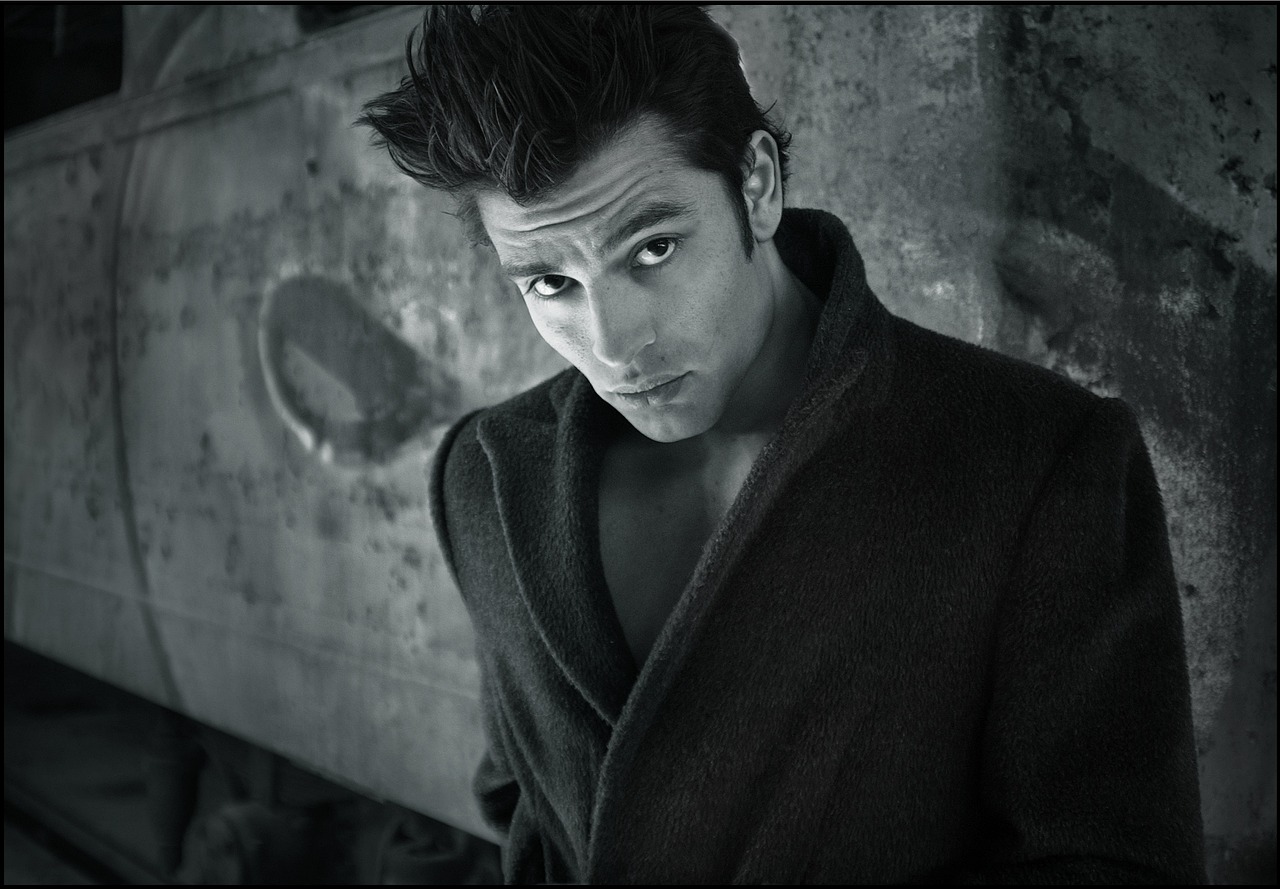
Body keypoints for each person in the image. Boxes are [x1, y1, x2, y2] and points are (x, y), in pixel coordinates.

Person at [359, 6, 1206, 884]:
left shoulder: (1035, 458)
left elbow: (1113, 863)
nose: (613, 345)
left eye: (653, 248)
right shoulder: (487, 477)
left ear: (756, 186)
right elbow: (528, 806)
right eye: (550, 283)